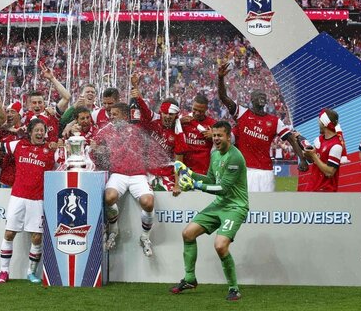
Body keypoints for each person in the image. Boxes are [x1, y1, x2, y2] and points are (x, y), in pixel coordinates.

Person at [0, 119, 58, 284]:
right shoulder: (19, 145)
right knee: (9, 234)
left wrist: (62, 146)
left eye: (42, 130)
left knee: (37, 237)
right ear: (30, 132)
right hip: (18, 197)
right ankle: (4, 271)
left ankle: (31, 272)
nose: (40, 133)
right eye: (37, 130)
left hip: (38, 199)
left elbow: (63, 163)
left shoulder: (51, 151)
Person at [170, 120, 248, 302]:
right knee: (188, 234)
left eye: (220, 135)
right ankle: (190, 279)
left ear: (228, 137)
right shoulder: (214, 154)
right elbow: (212, 180)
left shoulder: (235, 157)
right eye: (214, 135)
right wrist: (190, 173)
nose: (216, 139)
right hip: (219, 204)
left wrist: (195, 185)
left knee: (220, 246)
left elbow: (223, 188)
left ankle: (234, 288)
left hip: (235, 206)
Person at [217, 63, 307, 192]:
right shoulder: (242, 113)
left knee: (266, 202)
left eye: (264, 96)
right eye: (259, 95)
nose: (262, 97)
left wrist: (302, 159)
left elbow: (291, 139)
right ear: (252, 99)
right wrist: (220, 78)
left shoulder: (274, 121)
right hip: (245, 169)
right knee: (246, 202)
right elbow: (224, 97)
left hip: (266, 171)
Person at [93, 102, 155, 257]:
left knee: (148, 203)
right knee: (109, 197)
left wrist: (137, 97)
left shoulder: (138, 128)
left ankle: (145, 237)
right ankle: (114, 229)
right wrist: (97, 148)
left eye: (115, 114)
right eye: (110, 114)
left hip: (138, 175)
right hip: (118, 174)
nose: (111, 117)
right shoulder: (106, 130)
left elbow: (148, 116)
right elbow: (93, 145)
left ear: (125, 116)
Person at [129, 74, 180, 193]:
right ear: (161, 112)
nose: (167, 117)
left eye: (171, 114)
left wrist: (177, 183)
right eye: (165, 113)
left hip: (167, 173)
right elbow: (145, 110)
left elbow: (179, 160)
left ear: (176, 115)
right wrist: (135, 87)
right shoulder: (154, 120)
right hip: (148, 171)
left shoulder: (179, 130)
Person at [20, 63, 71, 142]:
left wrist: (52, 78)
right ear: (28, 105)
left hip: (52, 149)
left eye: (40, 102)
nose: (37, 105)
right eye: (34, 103)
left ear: (44, 104)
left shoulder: (51, 115)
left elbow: (67, 97)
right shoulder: (23, 118)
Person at [174, 94, 217, 179]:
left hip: (203, 171)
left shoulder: (212, 124)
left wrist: (214, 136)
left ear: (206, 109)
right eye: (195, 109)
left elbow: (225, 141)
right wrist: (178, 122)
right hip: (185, 169)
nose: (197, 113)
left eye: (201, 111)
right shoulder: (184, 120)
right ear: (192, 106)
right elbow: (168, 132)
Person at [301, 109, 343, 192]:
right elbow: (312, 161)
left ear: (324, 123)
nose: (318, 124)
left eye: (319, 122)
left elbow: (329, 173)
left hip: (325, 192)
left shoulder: (336, 145)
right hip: (312, 189)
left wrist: (313, 155)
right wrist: (302, 147)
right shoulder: (319, 139)